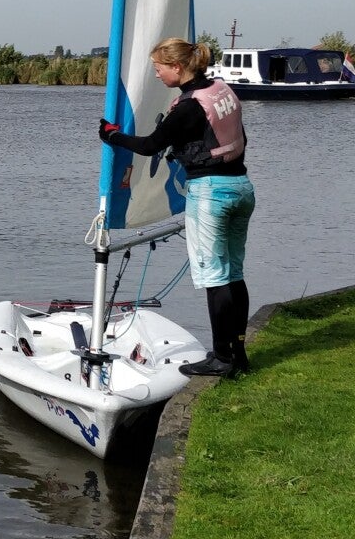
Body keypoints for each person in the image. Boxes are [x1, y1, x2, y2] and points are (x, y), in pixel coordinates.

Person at [98, 37, 255, 378]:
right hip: (241, 188)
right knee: (234, 274)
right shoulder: (221, 90)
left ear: (177, 67)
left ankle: (222, 358)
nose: (156, 74)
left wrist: (112, 136)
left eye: (159, 68)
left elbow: (150, 145)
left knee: (215, 278)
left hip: (211, 193)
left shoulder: (188, 107)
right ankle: (238, 352)